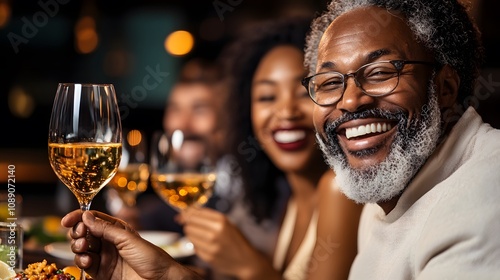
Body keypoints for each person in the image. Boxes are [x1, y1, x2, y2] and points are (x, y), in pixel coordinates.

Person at [62, 16, 362, 280]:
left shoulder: (337, 189)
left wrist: (250, 267)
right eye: (267, 97)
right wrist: (169, 273)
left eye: (301, 92)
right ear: (246, 114)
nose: (285, 112)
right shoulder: (287, 199)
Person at [302, 0, 500, 278]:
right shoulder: (388, 193)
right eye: (330, 82)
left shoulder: (484, 193)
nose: (349, 100)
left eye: (380, 72)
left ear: (445, 88)